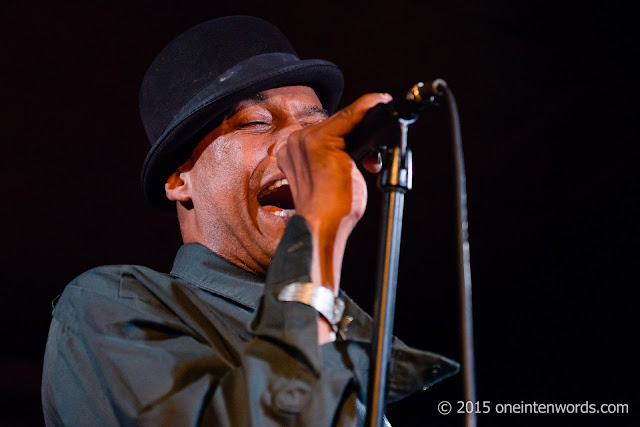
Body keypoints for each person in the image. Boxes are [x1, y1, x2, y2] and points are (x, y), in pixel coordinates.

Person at [41, 16, 458, 425]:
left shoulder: (354, 349)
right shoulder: (108, 308)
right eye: (256, 122)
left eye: (315, 125)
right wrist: (317, 229)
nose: (300, 142)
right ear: (178, 177)